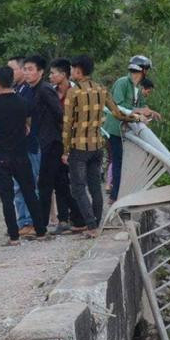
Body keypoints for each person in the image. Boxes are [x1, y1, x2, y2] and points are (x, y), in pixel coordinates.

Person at [62, 55, 145, 238]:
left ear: (78, 70)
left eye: (73, 69)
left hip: (79, 146)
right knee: (94, 186)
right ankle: (96, 223)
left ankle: (91, 226)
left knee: (77, 187)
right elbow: (117, 112)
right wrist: (135, 118)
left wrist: (65, 149)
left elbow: (67, 123)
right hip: (97, 145)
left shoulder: (73, 93)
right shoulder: (101, 89)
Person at [0, 67, 46, 246]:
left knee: (6, 198)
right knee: (29, 193)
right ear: (12, 80)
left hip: (2, 156)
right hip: (21, 154)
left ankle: (14, 236)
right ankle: (41, 231)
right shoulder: (24, 103)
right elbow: (28, 125)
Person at [103, 55, 161, 204]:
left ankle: (120, 194)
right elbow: (119, 107)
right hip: (115, 129)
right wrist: (141, 111)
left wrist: (149, 112)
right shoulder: (122, 83)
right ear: (143, 70)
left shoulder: (137, 88)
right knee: (118, 161)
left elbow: (140, 107)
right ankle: (115, 196)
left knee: (124, 162)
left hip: (127, 130)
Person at [29, 63, 69, 235]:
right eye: (25, 69)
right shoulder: (36, 90)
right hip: (46, 141)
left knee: (45, 183)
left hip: (52, 142)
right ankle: (77, 218)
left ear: (40, 72)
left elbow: (60, 114)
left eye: (30, 69)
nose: (27, 73)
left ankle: (42, 225)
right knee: (60, 183)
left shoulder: (45, 90)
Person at [46, 58, 82, 231]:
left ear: (63, 74)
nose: (50, 76)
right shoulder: (50, 92)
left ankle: (80, 216)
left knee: (74, 181)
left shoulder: (76, 92)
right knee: (58, 181)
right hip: (56, 142)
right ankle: (63, 219)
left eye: (53, 73)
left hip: (74, 142)